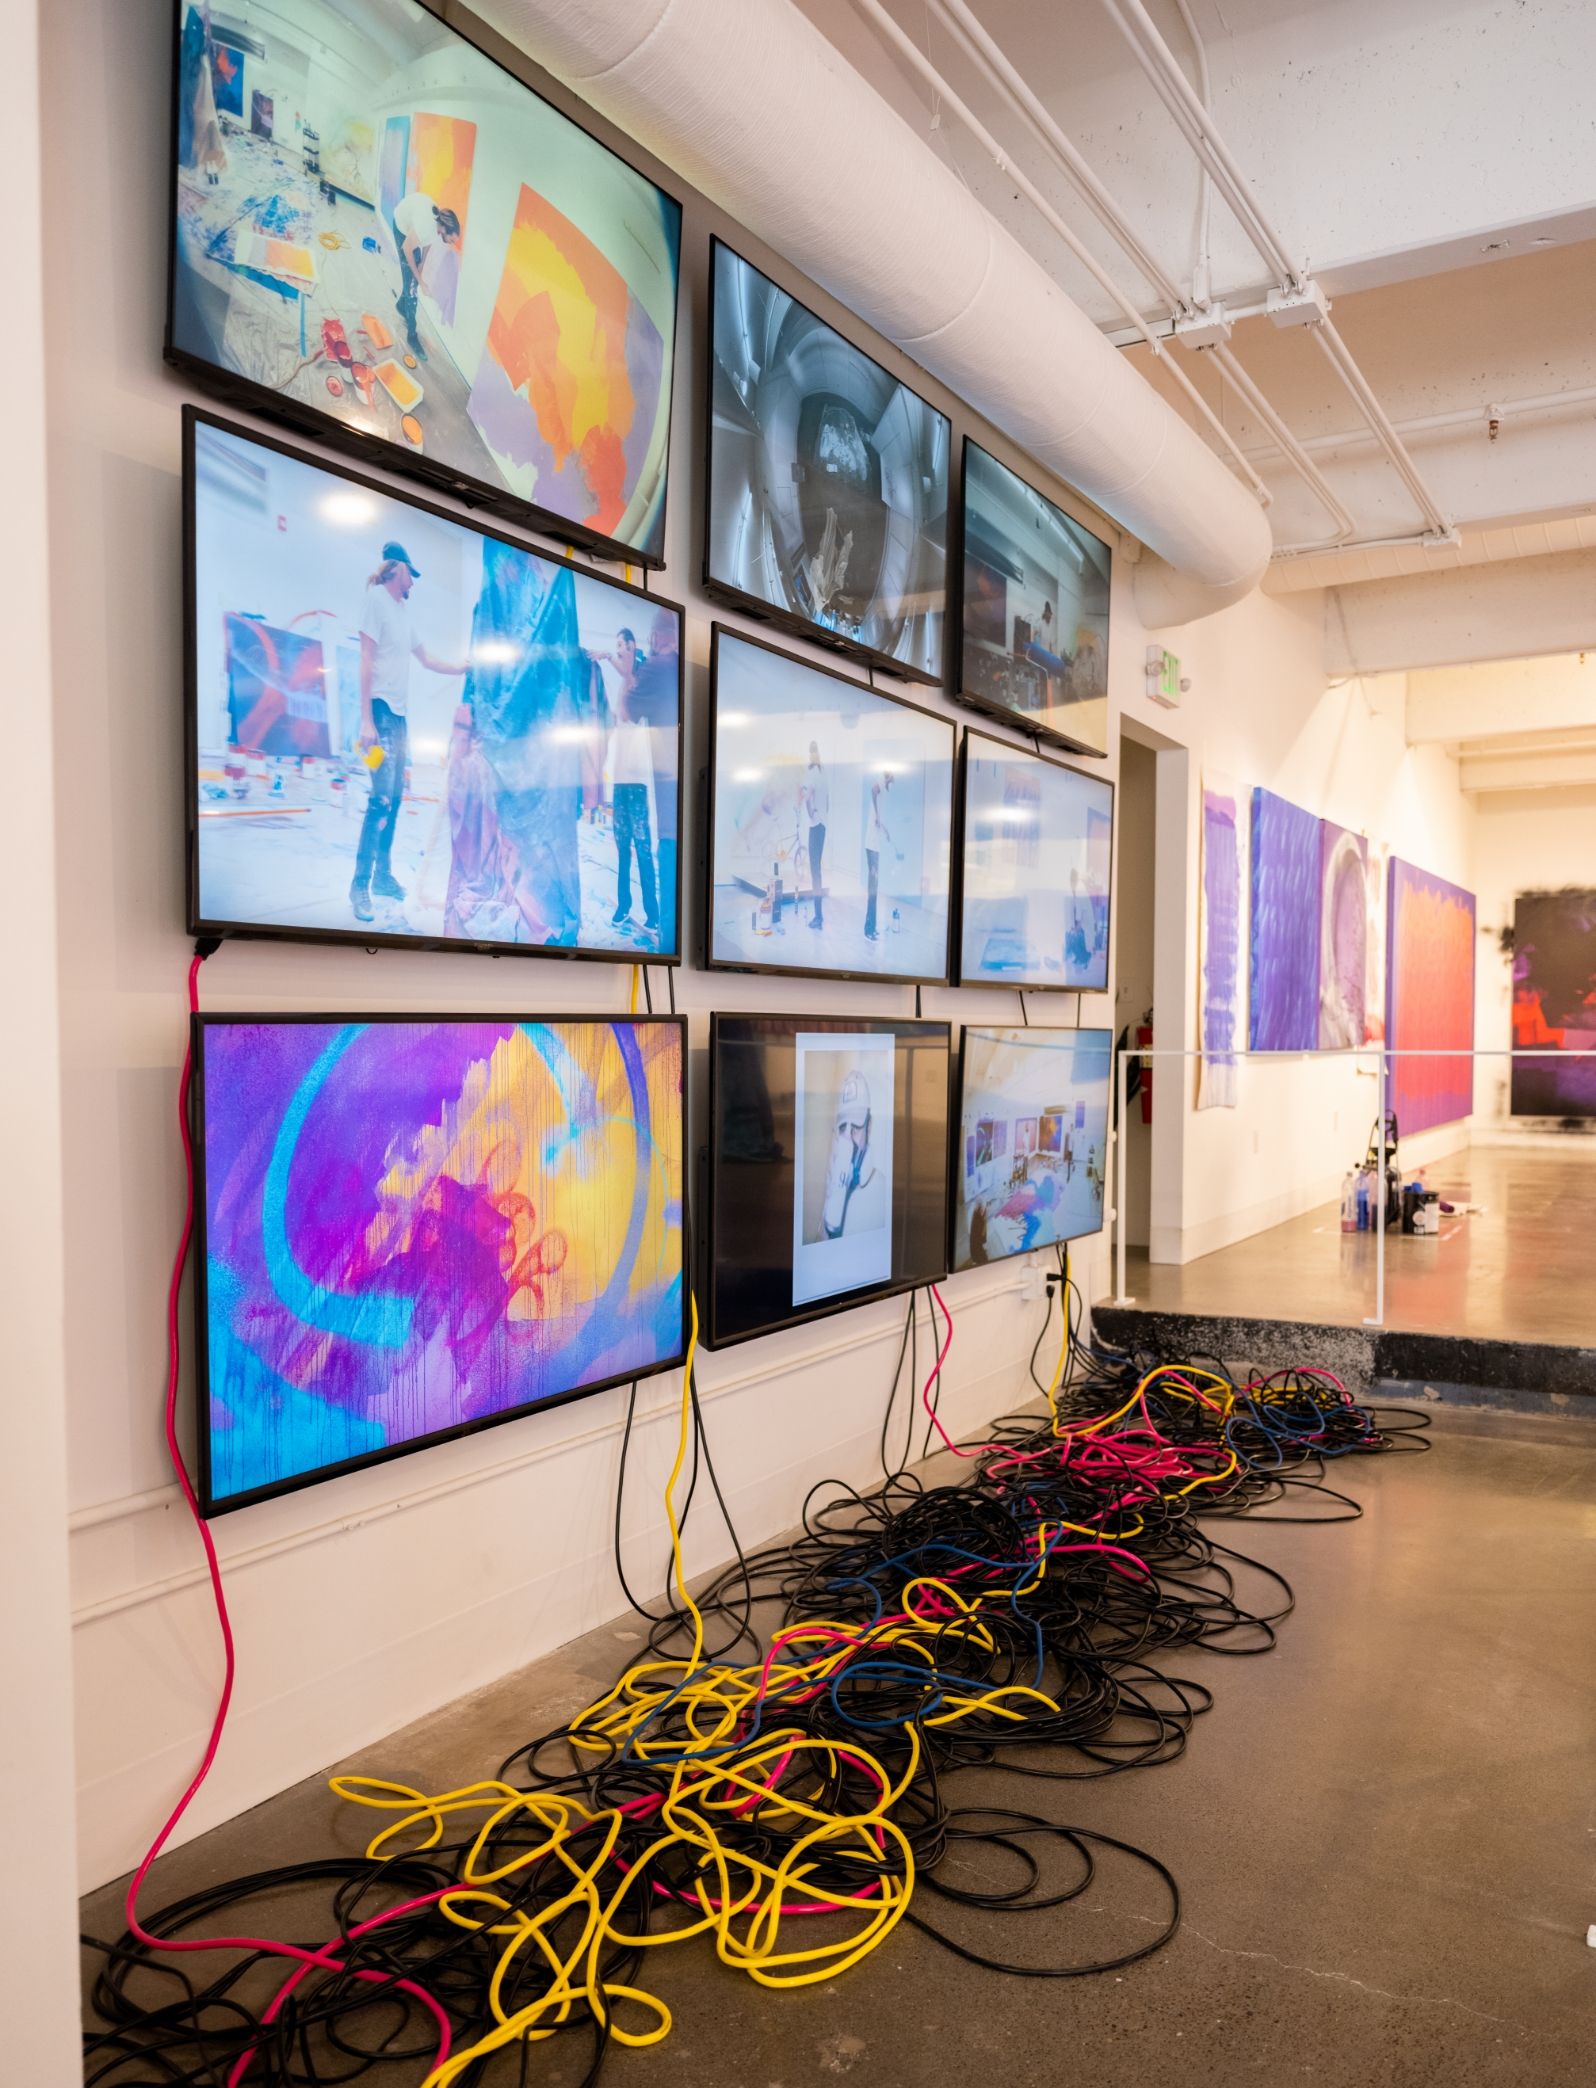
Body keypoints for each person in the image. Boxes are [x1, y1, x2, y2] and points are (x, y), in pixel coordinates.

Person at [351, 541, 467, 923]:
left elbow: (427, 658)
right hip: (380, 712)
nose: (413, 583)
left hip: (399, 718)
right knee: (380, 800)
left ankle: (383, 877)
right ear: (396, 569)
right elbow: (365, 658)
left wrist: (464, 667)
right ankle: (360, 886)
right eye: (410, 575)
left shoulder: (402, 612)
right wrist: (366, 719)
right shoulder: (376, 600)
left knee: (396, 799)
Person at [625, 608, 679, 951]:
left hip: (669, 812)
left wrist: (629, 670)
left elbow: (626, 711)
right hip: (679, 807)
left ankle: (666, 939)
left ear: (656, 636)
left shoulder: (656, 667)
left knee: (668, 862)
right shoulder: (676, 669)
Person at [607, 693, 659, 938]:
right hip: (619, 787)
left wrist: (615, 662)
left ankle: (653, 913)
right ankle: (624, 906)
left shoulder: (640, 711)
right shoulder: (619, 712)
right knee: (623, 853)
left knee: (643, 850)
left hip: (638, 786)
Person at [391, 192, 462, 361]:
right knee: (412, 286)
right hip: (401, 227)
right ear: (444, 229)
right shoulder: (425, 225)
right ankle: (412, 334)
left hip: (413, 229)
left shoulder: (436, 227)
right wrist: (420, 281)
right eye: (451, 239)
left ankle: (402, 305)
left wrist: (422, 264)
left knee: (413, 278)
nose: (452, 243)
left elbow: (428, 241)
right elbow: (407, 249)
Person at [820, 1070, 885, 1238]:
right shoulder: (832, 1182)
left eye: (855, 1127)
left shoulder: (883, 1188)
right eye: (842, 1128)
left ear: (868, 1127)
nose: (847, 1138)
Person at [864, 771, 901, 943]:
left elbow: (879, 820)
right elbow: (872, 789)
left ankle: (871, 928)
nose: (891, 785)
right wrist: (878, 816)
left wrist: (886, 832)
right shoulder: (879, 782)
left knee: (875, 890)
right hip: (871, 846)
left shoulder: (883, 794)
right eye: (891, 781)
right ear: (888, 778)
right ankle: (868, 930)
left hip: (876, 846)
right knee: (873, 890)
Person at [801, 741, 828, 930]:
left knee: (815, 873)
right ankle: (819, 916)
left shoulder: (812, 774)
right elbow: (829, 801)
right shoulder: (823, 774)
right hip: (822, 826)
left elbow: (808, 796)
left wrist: (811, 814)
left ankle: (818, 918)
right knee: (816, 870)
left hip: (816, 825)